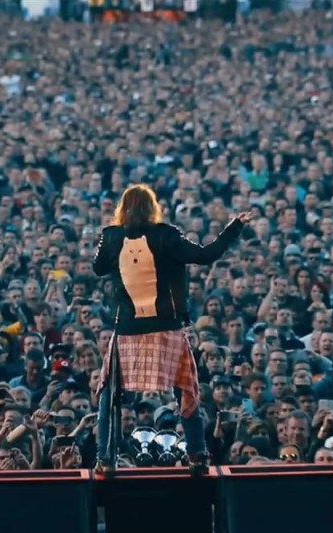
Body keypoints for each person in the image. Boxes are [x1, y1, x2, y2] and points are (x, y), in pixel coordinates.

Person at [91, 183, 252, 476]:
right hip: (166, 327)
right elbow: (205, 255)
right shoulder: (166, 234)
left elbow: (98, 268)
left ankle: (105, 458)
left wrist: (109, 240)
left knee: (109, 393)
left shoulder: (111, 236)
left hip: (127, 329)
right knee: (185, 388)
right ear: (152, 208)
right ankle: (197, 455)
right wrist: (233, 228)